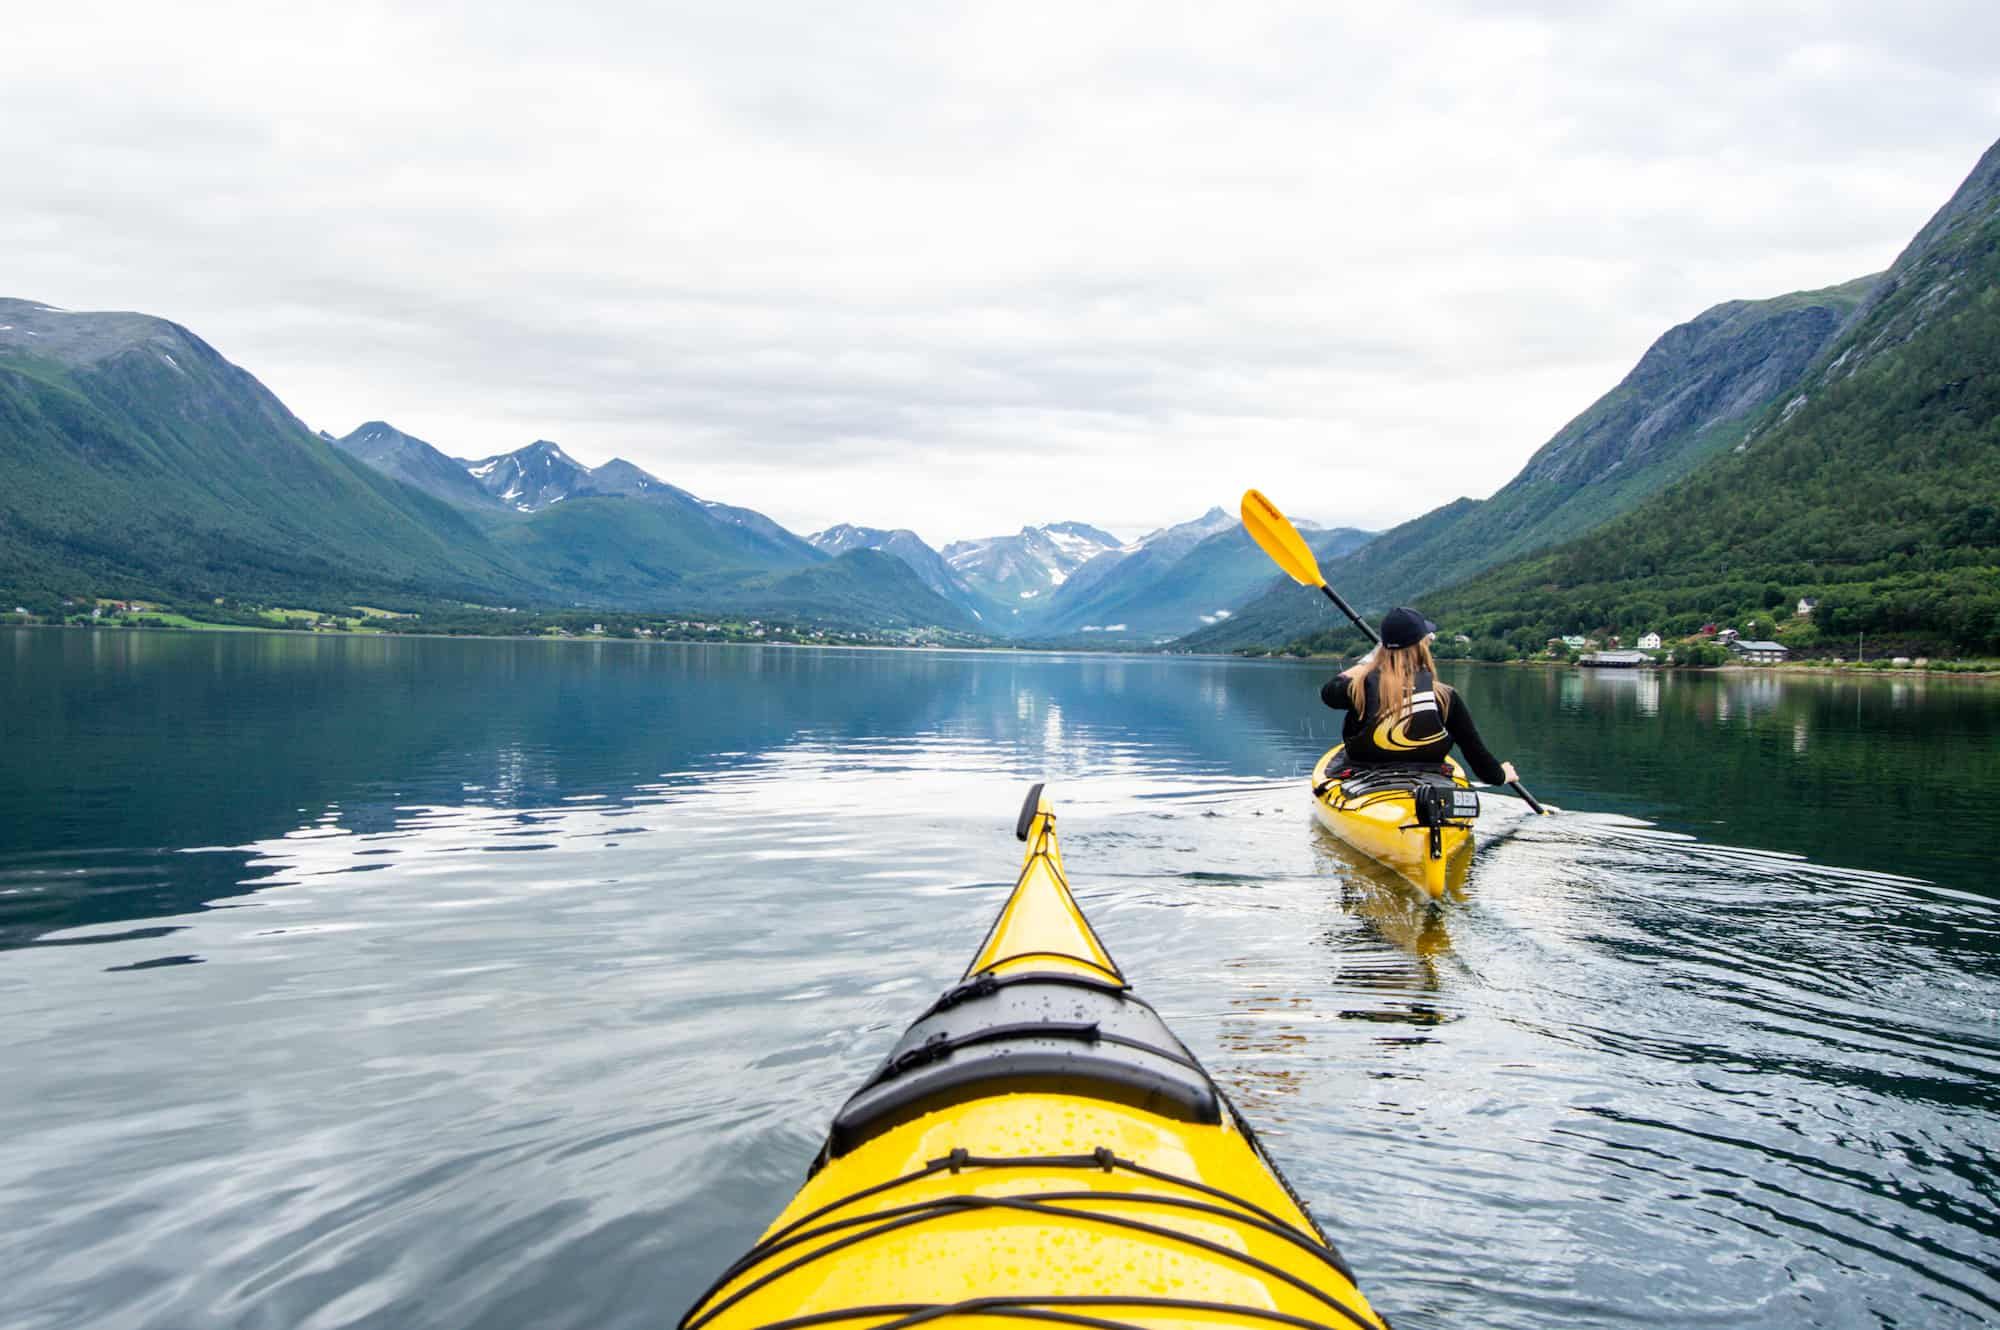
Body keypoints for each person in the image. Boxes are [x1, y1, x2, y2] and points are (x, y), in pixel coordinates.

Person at [1320, 606, 1519, 786]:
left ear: (1382, 647)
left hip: (1363, 779)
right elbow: (1478, 757)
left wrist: (1370, 660)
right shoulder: (1445, 696)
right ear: (1423, 645)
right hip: (1427, 781)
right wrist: (1502, 775)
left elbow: (1329, 691)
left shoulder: (1357, 688)